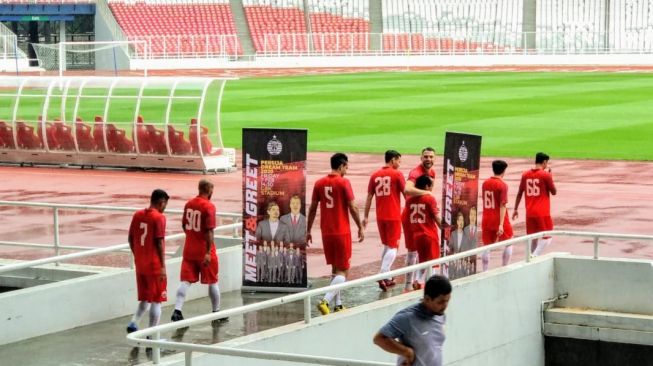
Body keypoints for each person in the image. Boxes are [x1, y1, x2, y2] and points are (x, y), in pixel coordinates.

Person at [307, 152, 364, 315]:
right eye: (346, 166)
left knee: (335, 269)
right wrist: (360, 226)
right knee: (344, 270)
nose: (347, 169)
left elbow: (312, 208)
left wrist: (308, 230)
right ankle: (325, 301)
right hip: (341, 232)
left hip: (326, 232)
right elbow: (352, 207)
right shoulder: (344, 183)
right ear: (341, 166)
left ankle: (338, 304)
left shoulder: (319, 183)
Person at [171, 179, 226, 323]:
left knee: (185, 281)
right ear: (209, 190)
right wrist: (208, 252)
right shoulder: (209, 207)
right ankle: (216, 312)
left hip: (189, 249)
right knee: (213, 281)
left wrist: (192, 237)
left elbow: (184, 225)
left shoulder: (189, 204)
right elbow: (209, 232)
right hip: (204, 250)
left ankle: (177, 310)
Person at [373, 274, 452, 366]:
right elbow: (379, 339)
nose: (445, 306)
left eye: (447, 301)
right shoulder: (407, 318)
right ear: (427, 299)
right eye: (440, 302)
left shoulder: (440, 314)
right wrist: (406, 352)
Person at [126, 189, 170, 334]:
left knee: (145, 297)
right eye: (165, 205)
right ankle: (152, 336)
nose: (165, 208)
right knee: (157, 300)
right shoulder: (159, 218)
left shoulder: (137, 215)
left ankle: (134, 322)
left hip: (141, 265)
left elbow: (130, 238)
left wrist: (137, 255)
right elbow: (159, 242)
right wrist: (163, 266)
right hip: (154, 266)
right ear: (161, 202)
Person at [363, 150, 406, 292]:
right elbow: (406, 194)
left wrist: (365, 216)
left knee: (387, 246)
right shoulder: (397, 174)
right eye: (398, 161)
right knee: (394, 246)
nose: (399, 164)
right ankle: (382, 273)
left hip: (380, 216)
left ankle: (387, 276)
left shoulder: (375, 175)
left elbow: (369, 197)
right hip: (393, 215)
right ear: (392, 160)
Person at [401, 147, 436, 292]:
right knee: (412, 250)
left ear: (434, 158)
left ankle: (419, 280)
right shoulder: (415, 173)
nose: (428, 159)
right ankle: (408, 285)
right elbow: (407, 189)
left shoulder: (432, 172)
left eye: (431, 157)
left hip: (421, 213)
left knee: (425, 249)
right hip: (411, 216)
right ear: (421, 158)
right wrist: (426, 193)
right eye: (426, 157)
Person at [512, 152, 557, 256]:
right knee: (548, 237)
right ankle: (534, 256)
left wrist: (515, 209)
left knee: (533, 238)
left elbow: (519, 193)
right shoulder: (546, 175)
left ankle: (531, 258)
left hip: (529, 212)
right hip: (542, 212)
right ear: (544, 162)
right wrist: (550, 177)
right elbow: (554, 192)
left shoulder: (525, 174)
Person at [406, 175, 442, 289]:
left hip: (417, 235)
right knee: (434, 262)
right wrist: (445, 229)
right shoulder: (429, 198)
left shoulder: (409, 200)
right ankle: (432, 286)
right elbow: (437, 219)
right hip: (429, 235)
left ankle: (417, 280)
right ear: (426, 186)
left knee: (422, 261)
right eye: (431, 186)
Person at [481, 160, 514, 271]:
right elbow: (502, 205)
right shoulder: (503, 185)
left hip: (486, 217)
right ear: (504, 171)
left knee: (487, 246)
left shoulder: (485, 183)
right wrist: (500, 224)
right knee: (509, 242)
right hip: (499, 218)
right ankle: (505, 268)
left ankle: (485, 271)